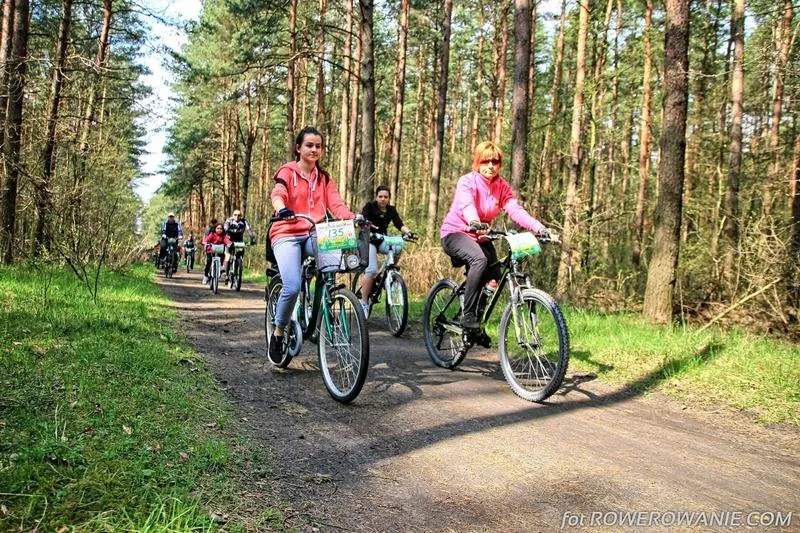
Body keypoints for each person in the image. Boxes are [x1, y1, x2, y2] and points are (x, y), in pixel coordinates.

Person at [268, 126, 364, 363]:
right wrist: (282, 209)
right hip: (286, 231)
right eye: (309, 145)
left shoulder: (324, 177)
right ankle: (279, 333)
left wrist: (353, 217)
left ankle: (324, 301)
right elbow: (277, 193)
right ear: (299, 148)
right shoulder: (288, 171)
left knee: (332, 264)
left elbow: (336, 205)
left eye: (318, 146)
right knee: (291, 286)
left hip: (314, 231)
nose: (314, 150)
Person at [440, 141, 549, 338]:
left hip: (481, 236)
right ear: (478, 162)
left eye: (495, 162)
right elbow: (467, 204)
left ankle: (477, 323)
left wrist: (538, 227)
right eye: (486, 161)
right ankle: (469, 316)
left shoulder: (502, 186)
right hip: (456, 232)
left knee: (495, 274)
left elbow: (515, 210)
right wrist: (474, 220)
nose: (491, 165)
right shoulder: (467, 181)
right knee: (479, 260)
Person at [358, 185, 415, 317]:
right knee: (371, 270)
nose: (383, 199)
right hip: (369, 239)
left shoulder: (391, 210)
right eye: (380, 196)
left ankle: (388, 272)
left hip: (383, 239)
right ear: (376, 197)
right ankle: (364, 302)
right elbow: (363, 221)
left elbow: (399, 224)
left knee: (398, 246)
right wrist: (367, 230)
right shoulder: (369, 207)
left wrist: (409, 233)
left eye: (386, 197)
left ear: (389, 198)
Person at [222, 209, 256, 276]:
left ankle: (238, 265)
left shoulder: (244, 221)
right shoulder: (229, 220)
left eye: (239, 215)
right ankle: (226, 270)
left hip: (239, 240)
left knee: (240, 255)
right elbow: (225, 229)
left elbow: (249, 230)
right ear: (232, 215)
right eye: (235, 215)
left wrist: (252, 238)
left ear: (241, 216)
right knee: (228, 255)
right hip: (230, 240)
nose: (237, 216)